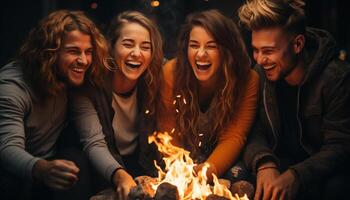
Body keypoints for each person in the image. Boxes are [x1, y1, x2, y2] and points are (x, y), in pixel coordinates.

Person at [238, 0, 350, 199]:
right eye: (256, 49)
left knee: (338, 187)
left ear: (298, 44)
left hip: (320, 173)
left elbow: (341, 145)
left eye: (268, 51)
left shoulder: (336, 78)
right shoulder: (260, 73)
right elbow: (252, 129)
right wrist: (264, 162)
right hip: (279, 163)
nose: (259, 59)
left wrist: (297, 175)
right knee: (238, 175)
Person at [0, 10, 109, 199]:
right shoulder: (12, 87)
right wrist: (42, 169)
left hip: (49, 167)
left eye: (88, 52)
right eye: (74, 51)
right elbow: (8, 148)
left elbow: (93, 140)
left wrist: (120, 176)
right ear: (49, 52)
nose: (84, 61)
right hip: (14, 174)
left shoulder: (72, 81)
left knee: (76, 161)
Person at [70, 11, 163, 200]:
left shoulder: (153, 82)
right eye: (128, 44)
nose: (137, 53)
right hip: (100, 168)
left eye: (145, 47)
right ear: (110, 46)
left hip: (139, 164)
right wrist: (119, 176)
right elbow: (93, 143)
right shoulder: (90, 85)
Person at [157, 9, 259, 181]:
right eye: (194, 45)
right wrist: (181, 173)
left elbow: (234, 136)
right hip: (178, 162)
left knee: (238, 176)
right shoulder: (171, 73)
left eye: (211, 46)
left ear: (227, 51)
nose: (201, 54)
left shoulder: (247, 79)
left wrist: (205, 172)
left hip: (223, 162)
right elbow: (168, 134)